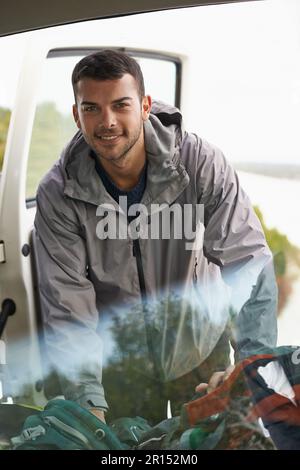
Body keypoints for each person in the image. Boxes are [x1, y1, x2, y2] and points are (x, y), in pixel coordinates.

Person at [34, 50, 278, 425]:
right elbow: (67, 306)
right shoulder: (57, 192)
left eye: (120, 105)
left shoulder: (199, 163)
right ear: (76, 114)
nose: (108, 121)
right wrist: (86, 400)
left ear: (145, 106)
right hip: (118, 363)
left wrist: (249, 368)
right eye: (92, 108)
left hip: (199, 346)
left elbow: (249, 265)